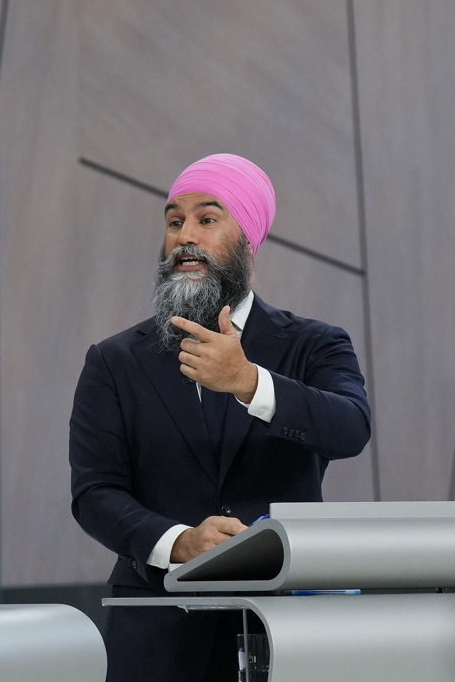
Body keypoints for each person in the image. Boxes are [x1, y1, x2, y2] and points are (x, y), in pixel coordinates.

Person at [68, 153, 370, 681]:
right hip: (157, 635)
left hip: (285, 628)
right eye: (174, 221)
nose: (185, 236)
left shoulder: (313, 343)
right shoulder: (115, 360)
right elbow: (95, 492)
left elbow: (350, 428)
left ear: (249, 238)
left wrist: (250, 382)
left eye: (207, 219)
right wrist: (179, 542)